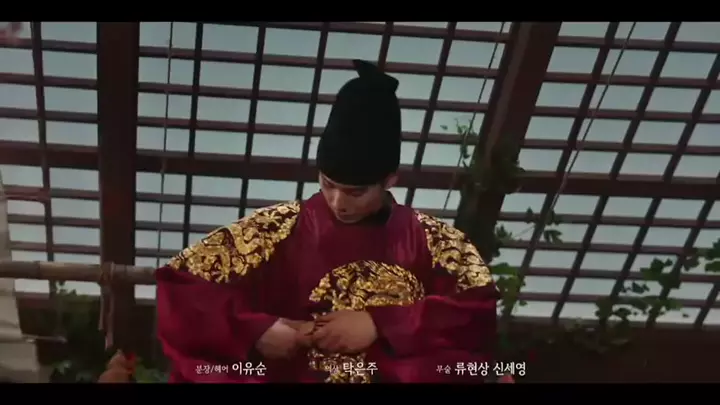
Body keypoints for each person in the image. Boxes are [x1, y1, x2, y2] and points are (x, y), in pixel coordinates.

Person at [102, 60, 499, 383]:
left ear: (390, 180)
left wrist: (381, 324)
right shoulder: (275, 228)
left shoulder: (435, 242)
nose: (338, 202)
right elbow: (182, 288)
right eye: (328, 184)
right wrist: (255, 328)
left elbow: (474, 313)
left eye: (356, 192)